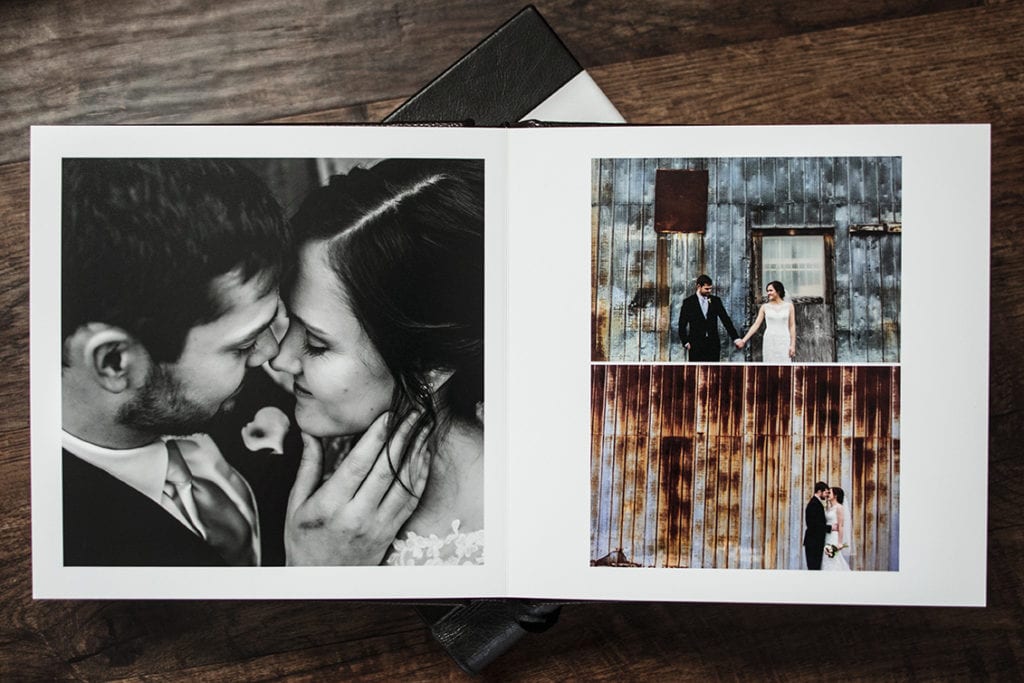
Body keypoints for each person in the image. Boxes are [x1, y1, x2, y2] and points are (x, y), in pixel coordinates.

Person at [61, 158, 422, 567]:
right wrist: (312, 582)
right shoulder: (74, 549)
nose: (272, 354)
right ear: (114, 362)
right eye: (242, 344)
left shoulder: (263, 401)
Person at [271, 158, 485, 566]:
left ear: (429, 364)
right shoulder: (345, 433)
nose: (280, 359)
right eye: (288, 323)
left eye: (316, 344)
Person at [678, 274, 742, 362]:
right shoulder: (689, 302)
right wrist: (685, 342)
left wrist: (736, 338)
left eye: (710, 288)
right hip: (695, 344)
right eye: (706, 289)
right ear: (698, 287)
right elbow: (682, 325)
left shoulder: (716, 301)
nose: (709, 291)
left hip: (713, 344)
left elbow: (726, 320)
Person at [737, 280, 796, 363]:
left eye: (771, 290)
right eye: (767, 291)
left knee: (784, 363)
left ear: (778, 291)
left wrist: (792, 345)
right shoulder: (765, 307)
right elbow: (756, 325)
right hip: (770, 339)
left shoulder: (789, 306)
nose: (768, 293)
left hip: (784, 339)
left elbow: (792, 326)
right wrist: (744, 340)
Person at [803, 481, 834, 570]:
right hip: (813, 542)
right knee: (814, 568)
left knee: (815, 567)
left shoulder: (817, 503)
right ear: (819, 492)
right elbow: (814, 525)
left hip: (815, 542)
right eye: (825, 493)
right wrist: (830, 528)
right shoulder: (814, 504)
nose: (826, 495)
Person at [822, 486, 852, 571]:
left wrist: (839, 542)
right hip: (827, 535)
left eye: (829, 493)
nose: (827, 494)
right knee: (826, 557)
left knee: (833, 557)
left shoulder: (839, 507)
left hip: (834, 537)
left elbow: (841, 525)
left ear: (835, 495)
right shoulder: (829, 507)